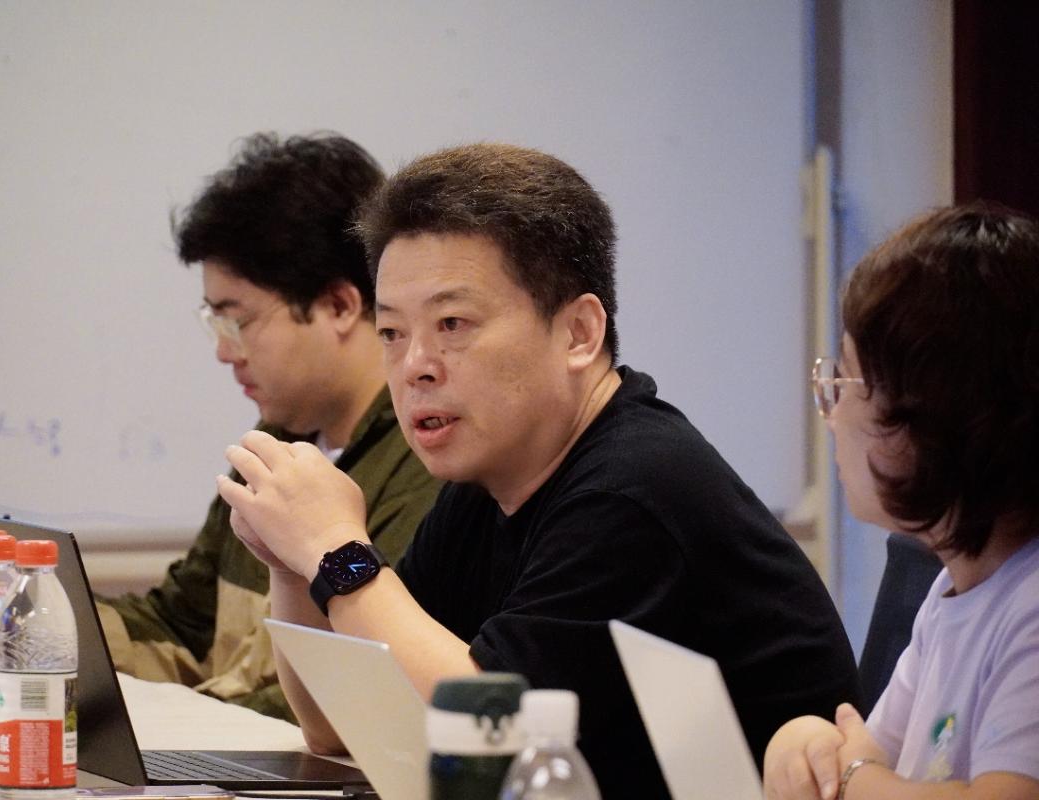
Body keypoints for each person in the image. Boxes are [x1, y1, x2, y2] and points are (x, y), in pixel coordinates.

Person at [215, 142, 860, 798]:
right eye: (392, 333)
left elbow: (491, 737)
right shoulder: (487, 479)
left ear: (579, 332)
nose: (414, 367)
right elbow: (346, 728)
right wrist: (292, 563)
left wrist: (337, 552)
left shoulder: (635, 489)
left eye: (452, 323)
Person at [0, 133, 441, 721]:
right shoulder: (273, 448)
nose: (225, 353)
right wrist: (27, 613)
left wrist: (192, 722)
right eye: (214, 324)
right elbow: (182, 627)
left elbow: (364, 686)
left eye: (237, 321)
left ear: (339, 305)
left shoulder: (426, 461)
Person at [763, 203, 1039, 800]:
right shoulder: (948, 593)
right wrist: (806, 743)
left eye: (844, 383)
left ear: (929, 416)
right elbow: (867, 751)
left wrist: (856, 776)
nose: (831, 415)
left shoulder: (1030, 606)